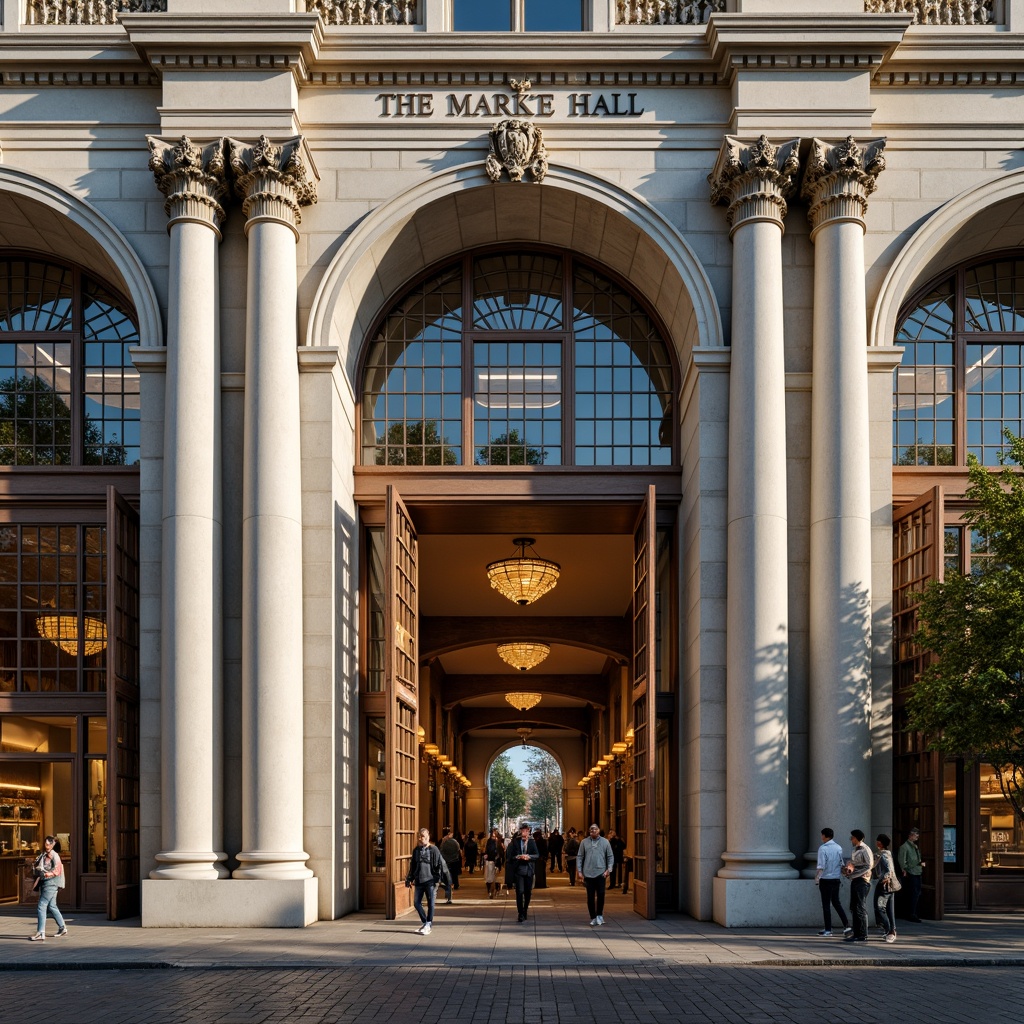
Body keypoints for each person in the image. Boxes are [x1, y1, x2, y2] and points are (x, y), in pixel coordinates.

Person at [404, 828, 451, 935]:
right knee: (416, 903)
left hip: (431, 881)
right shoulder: (416, 850)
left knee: (431, 903)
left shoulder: (434, 849)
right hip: (419, 880)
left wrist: (441, 880)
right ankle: (426, 923)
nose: (421, 839)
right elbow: (413, 865)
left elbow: (441, 865)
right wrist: (409, 878)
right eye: (419, 836)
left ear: (428, 837)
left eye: (423, 836)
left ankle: (428, 923)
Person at [814, 827, 851, 937]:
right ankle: (846, 924)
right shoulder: (838, 847)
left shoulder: (823, 848)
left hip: (826, 879)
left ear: (825, 836)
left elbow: (821, 865)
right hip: (836, 879)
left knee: (826, 904)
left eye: (822, 835)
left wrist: (817, 879)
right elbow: (841, 863)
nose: (821, 837)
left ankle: (828, 929)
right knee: (836, 902)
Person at [30, 835, 68, 941]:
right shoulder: (44, 854)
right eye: (46, 843)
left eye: (49, 844)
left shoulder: (54, 856)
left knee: (42, 905)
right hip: (47, 882)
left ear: (53, 844)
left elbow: (57, 871)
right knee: (52, 906)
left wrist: (46, 874)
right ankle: (62, 927)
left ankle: (40, 932)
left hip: (51, 883)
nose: (47, 846)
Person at [578, 823, 614, 926]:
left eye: (595, 829)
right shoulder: (584, 842)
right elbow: (580, 856)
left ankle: (600, 915)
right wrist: (580, 871)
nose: (593, 831)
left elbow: (610, 857)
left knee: (601, 894)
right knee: (590, 896)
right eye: (591, 829)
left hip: (601, 873)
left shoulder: (605, 842)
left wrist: (609, 870)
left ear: (599, 830)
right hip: (588, 873)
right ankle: (593, 917)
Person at [843, 829, 874, 942]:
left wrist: (855, 873)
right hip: (855, 880)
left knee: (860, 907)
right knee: (854, 907)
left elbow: (869, 865)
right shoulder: (855, 849)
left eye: (852, 837)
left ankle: (862, 934)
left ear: (857, 838)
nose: (851, 839)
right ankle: (856, 933)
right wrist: (849, 868)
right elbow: (853, 863)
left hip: (862, 881)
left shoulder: (865, 849)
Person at [504, 821, 539, 923]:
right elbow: (510, 856)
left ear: (529, 832)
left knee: (528, 892)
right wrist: (518, 857)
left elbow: (537, 855)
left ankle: (525, 910)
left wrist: (529, 857)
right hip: (519, 869)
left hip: (529, 870)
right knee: (519, 892)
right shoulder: (515, 841)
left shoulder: (532, 842)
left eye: (526, 831)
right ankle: (520, 913)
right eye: (522, 831)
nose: (524, 833)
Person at [873, 833, 898, 943]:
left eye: (877, 841)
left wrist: (884, 879)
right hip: (890, 885)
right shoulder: (886, 853)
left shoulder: (884, 854)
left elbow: (889, 870)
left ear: (879, 843)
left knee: (879, 907)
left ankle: (890, 930)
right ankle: (891, 930)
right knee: (889, 909)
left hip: (885, 885)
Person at [898, 827, 925, 922]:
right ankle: (911, 914)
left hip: (917, 872)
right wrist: (905, 869)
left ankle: (914, 913)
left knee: (917, 893)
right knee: (912, 893)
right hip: (911, 873)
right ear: (910, 835)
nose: (917, 836)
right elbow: (902, 861)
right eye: (915, 835)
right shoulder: (904, 847)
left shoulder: (914, 846)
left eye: (917, 834)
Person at [439, 827, 462, 902]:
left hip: (446, 861)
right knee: (454, 874)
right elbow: (458, 850)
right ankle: (455, 884)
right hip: (454, 860)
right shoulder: (455, 842)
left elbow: (441, 851)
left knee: (446, 878)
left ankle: (448, 892)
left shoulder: (443, 842)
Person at [484, 827, 504, 899]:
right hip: (490, 861)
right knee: (489, 878)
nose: (494, 836)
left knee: (497, 878)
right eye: (492, 835)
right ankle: (490, 891)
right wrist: (486, 855)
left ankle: (495, 890)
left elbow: (501, 853)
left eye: (495, 835)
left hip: (497, 862)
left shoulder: (498, 843)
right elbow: (487, 850)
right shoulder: (489, 842)